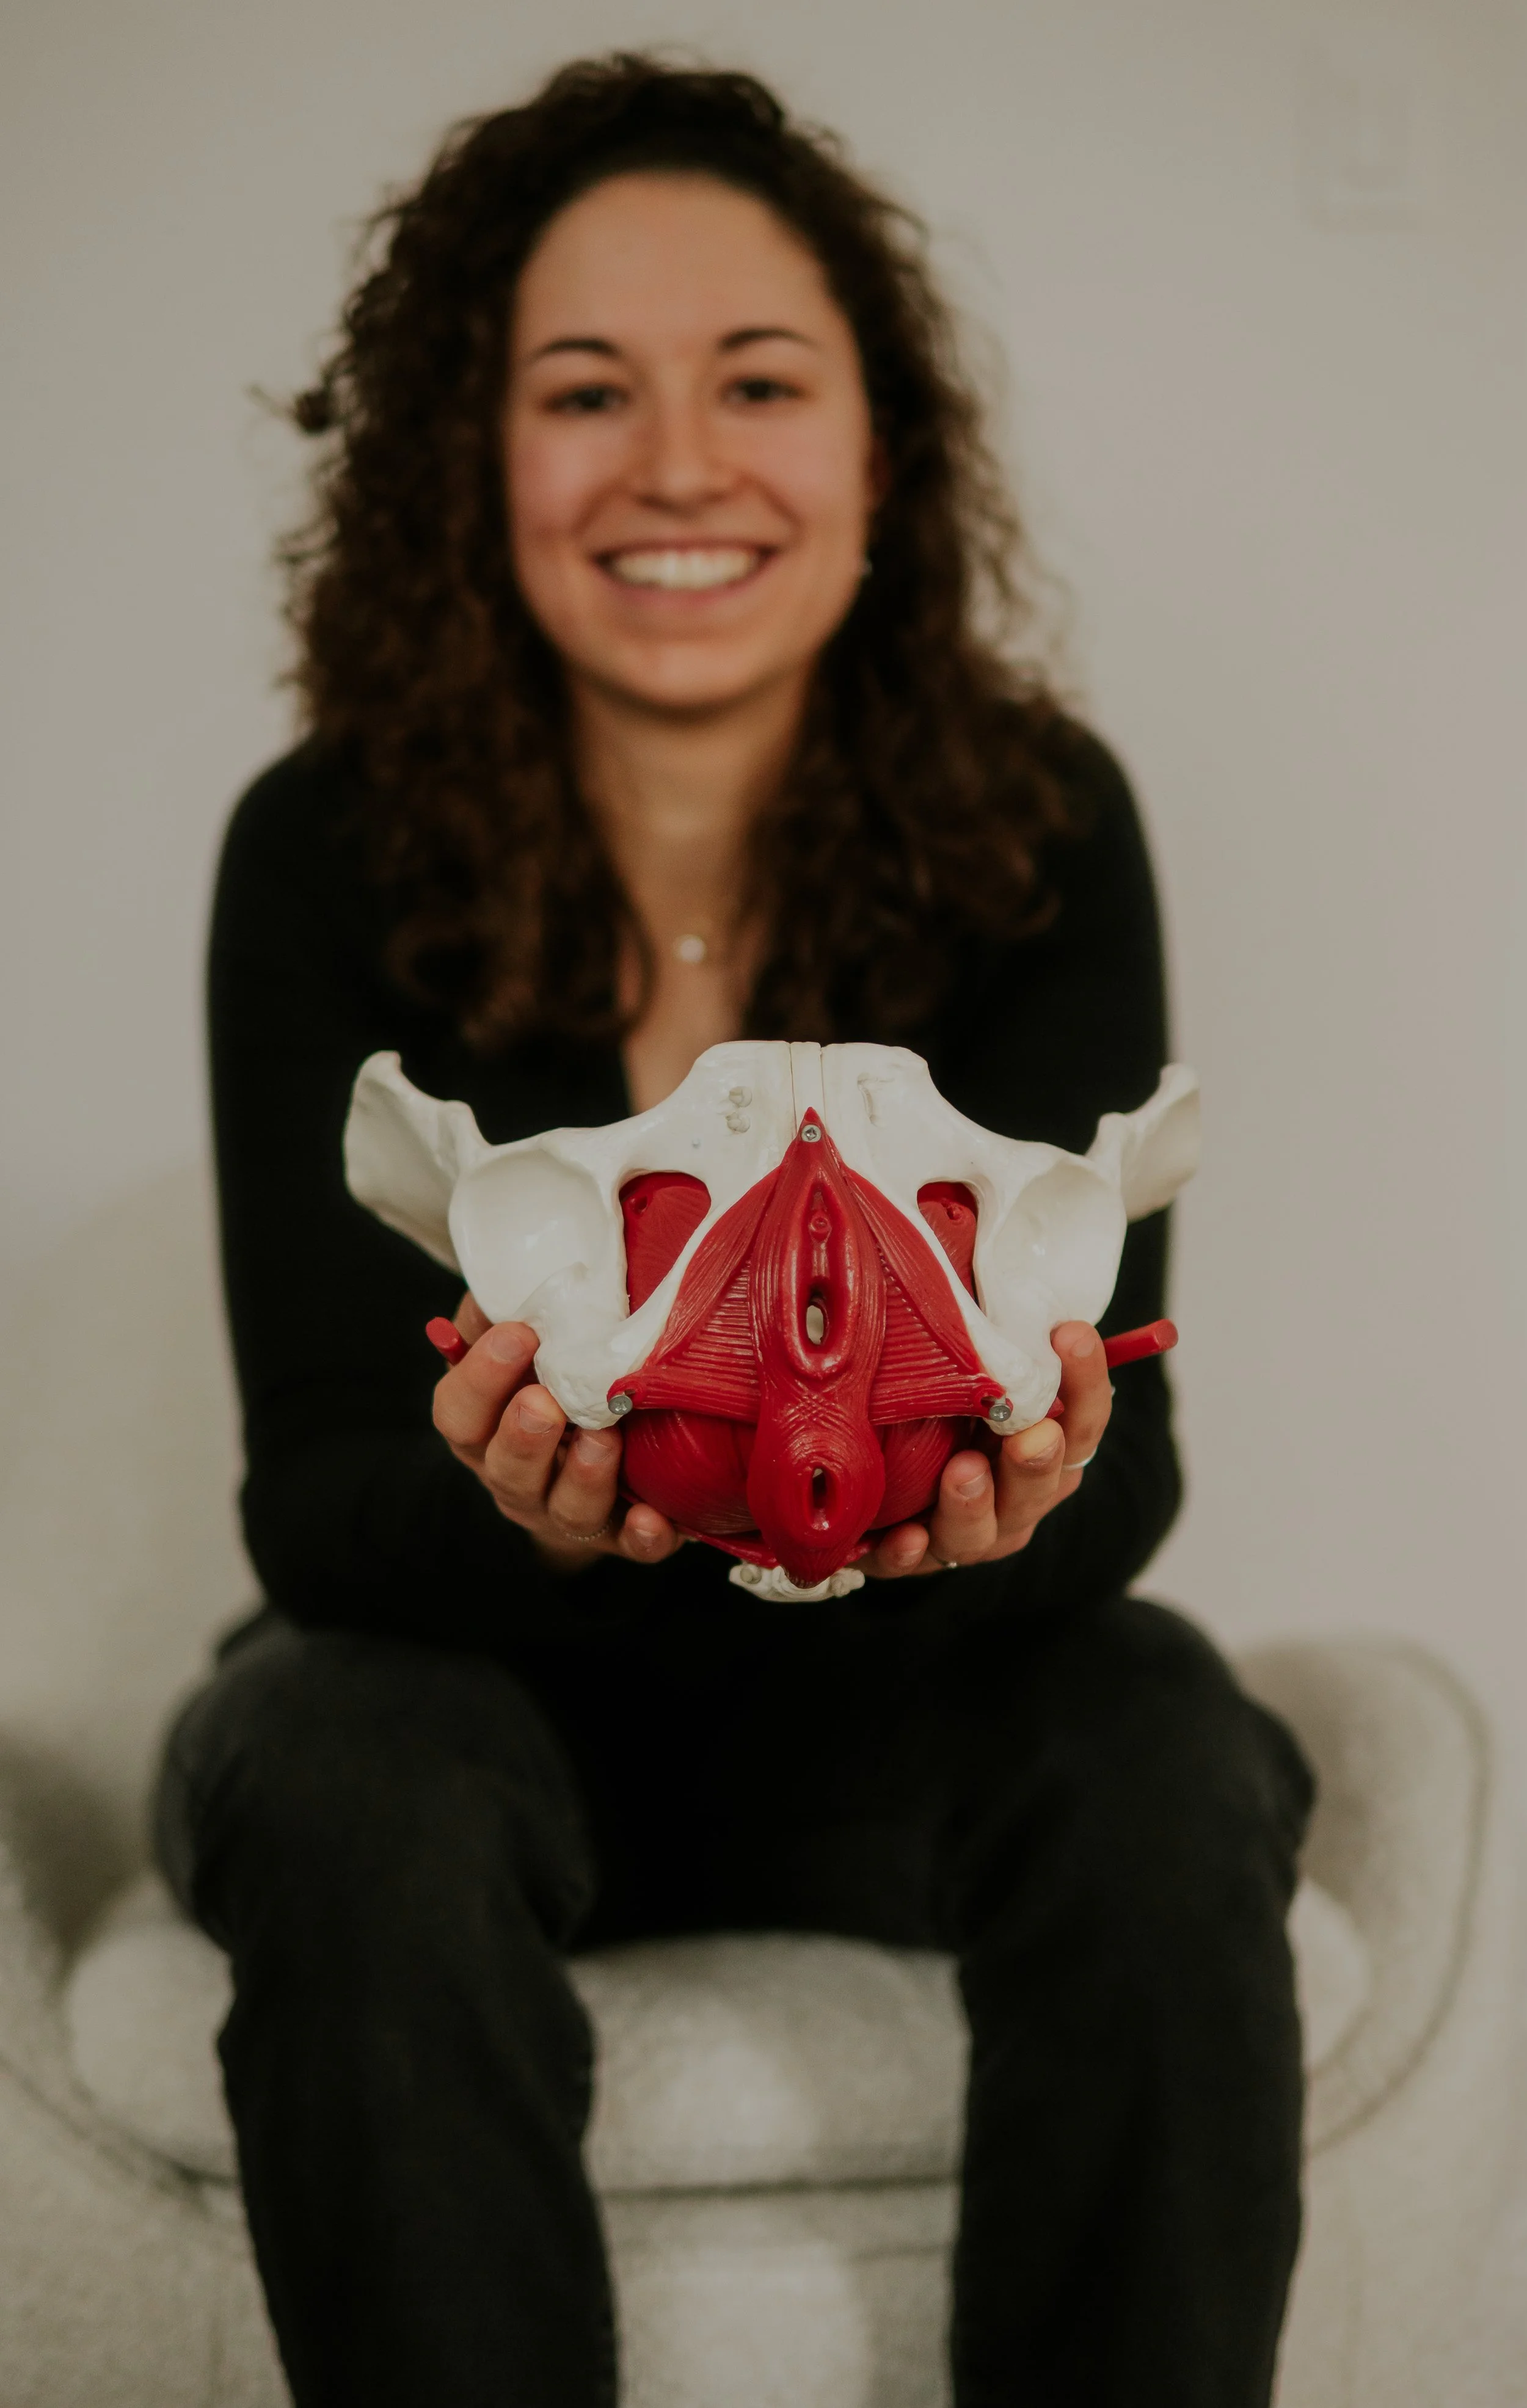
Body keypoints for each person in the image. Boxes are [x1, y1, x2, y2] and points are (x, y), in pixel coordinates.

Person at [155, 54, 1313, 2408]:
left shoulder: (1039, 828)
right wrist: (547, 1523)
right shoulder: (322, 852)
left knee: (1162, 1739)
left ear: (880, 454)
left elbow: (1125, 1459)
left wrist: (981, 1500)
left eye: (757, 382)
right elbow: (318, 1499)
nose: (677, 464)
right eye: (584, 392)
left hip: (882, 1736)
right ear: (474, 468)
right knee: (342, 1761)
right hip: (457, 1727)